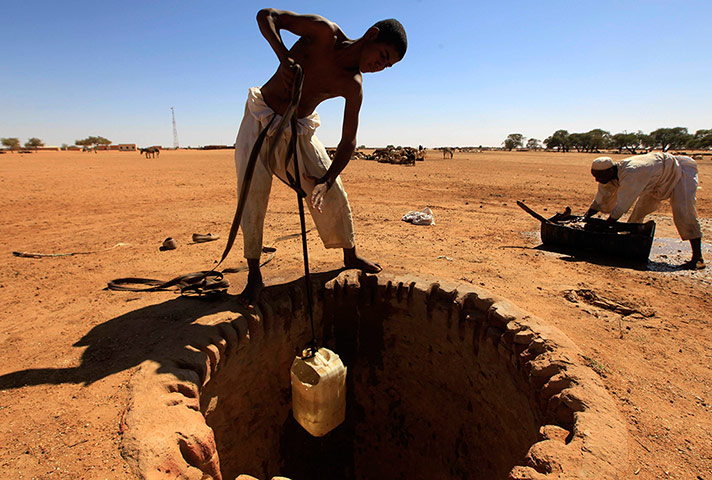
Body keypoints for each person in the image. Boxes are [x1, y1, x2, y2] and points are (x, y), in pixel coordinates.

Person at [233, 9, 407, 302]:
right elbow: (267, 16)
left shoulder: (352, 84)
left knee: (333, 193)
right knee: (252, 193)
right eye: (383, 55)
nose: (380, 65)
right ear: (372, 35)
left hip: (298, 130)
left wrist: (327, 179)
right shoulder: (324, 33)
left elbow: (349, 140)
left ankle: (349, 255)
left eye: (388, 65)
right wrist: (283, 56)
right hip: (260, 117)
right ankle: (254, 275)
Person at [584, 152, 705, 270]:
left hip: (677, 173)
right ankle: (630, 248)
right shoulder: (608, 175)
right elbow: (602, 197)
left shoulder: (632, 172)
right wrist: (586, 216)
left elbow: (622, 205)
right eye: (595, 176)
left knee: (683, 213)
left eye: (598, 176)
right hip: (654, 183)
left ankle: (697, 258)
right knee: (637, 214)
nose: (596, 180)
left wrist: (607, 225)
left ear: (609, 171)